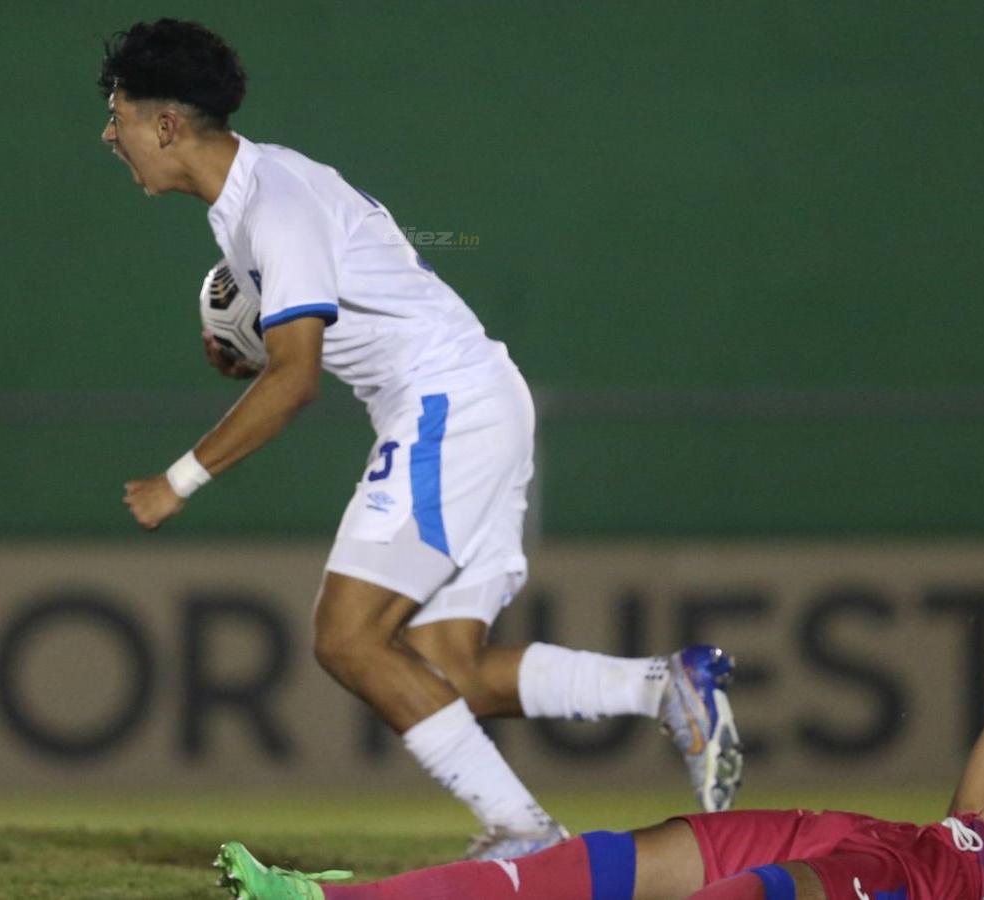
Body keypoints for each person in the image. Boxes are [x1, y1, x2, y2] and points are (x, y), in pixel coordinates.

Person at [99, 18, 742, 859]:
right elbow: (312, 336)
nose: (111, 134)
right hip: (476, 399)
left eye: (118, 114)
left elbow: (294, 380)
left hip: (447, 408)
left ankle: (527, 836)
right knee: (449, 668)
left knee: (347, 638)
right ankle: (666, 688)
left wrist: (177, 479)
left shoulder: (274, 206)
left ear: (168, 125)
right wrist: (255, 346)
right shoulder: (263, 192)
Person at [212, 501, 984, 899]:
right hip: (893, 841)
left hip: (917, 887)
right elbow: (981, 822)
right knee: (600, 867)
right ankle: (323, 897)